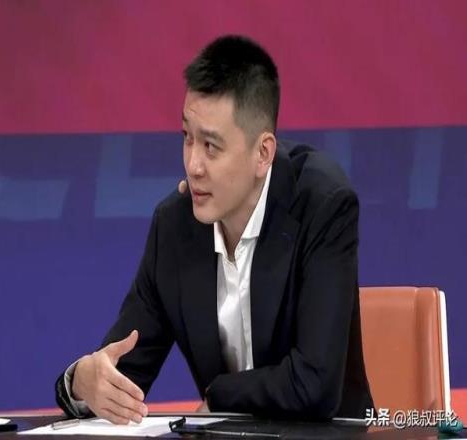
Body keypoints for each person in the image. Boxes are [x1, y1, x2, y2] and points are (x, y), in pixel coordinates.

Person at [55, 34, 374, 424]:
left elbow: (315, 383)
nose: (193, 165)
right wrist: (81, 382)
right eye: (187, 138)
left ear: (263, 153)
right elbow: (122, 374)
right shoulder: (175, 227)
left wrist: (220, 395)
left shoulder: (322, 205)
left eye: (211, 146)